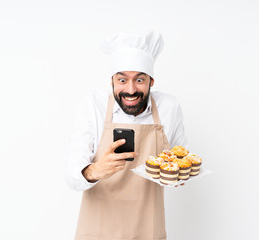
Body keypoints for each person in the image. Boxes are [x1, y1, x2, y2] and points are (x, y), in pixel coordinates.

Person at [66, 31, 189, 240]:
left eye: (139, 79)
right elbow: (71, 176)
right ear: (112, 80)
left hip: (148, 229)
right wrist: (94, 170)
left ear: (151, 81)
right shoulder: (93, 104)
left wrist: (178, 174)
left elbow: (181, 158)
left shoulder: (169, 107)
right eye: (122, 80)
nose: (130, 90)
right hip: (97, 231)